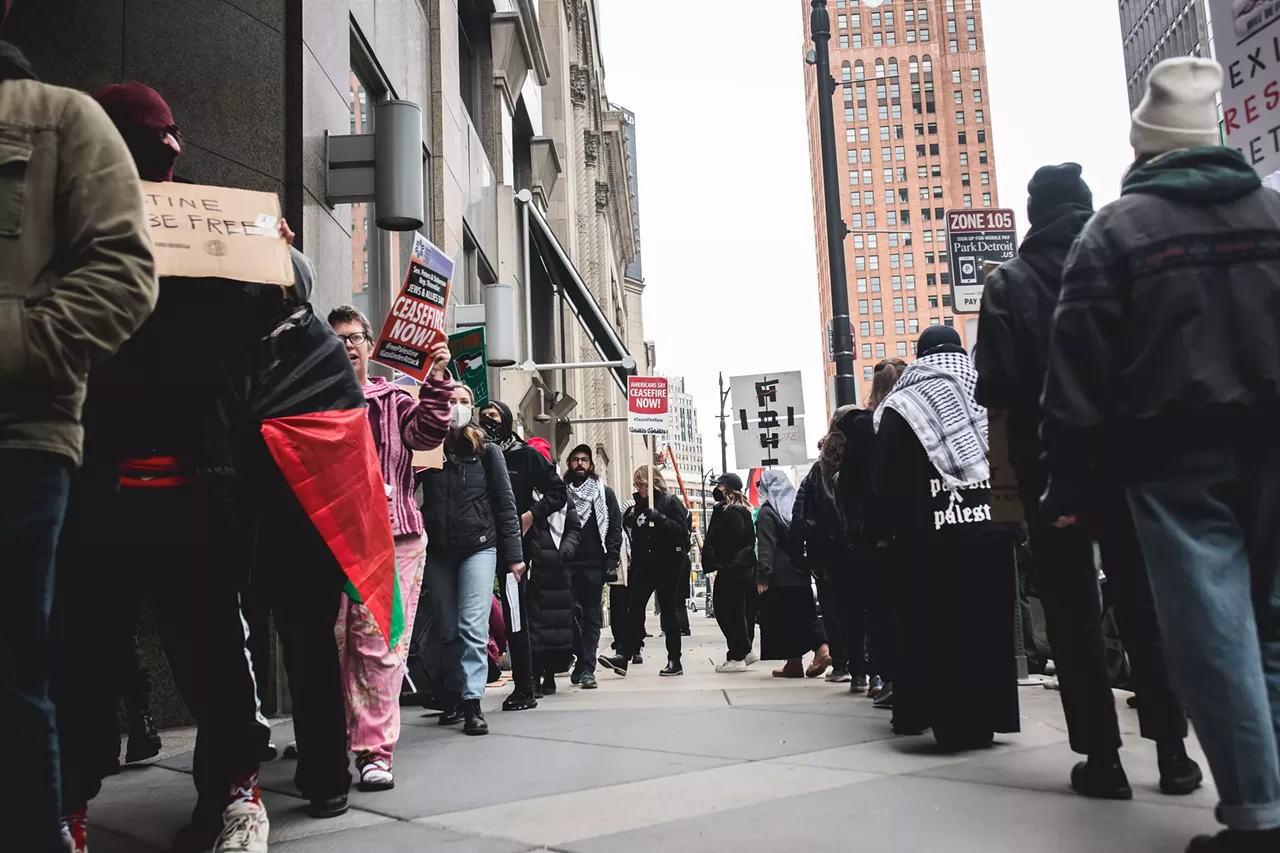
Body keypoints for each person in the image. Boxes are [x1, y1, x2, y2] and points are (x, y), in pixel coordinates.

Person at [1041, 57, 1280, 852]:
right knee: (1274, 626)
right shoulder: (1274, 216)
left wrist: (1069, 477)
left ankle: (1254, 812)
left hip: (1174, 462)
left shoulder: (1115, 233)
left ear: (1145, 149)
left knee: (1211, 631)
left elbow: (1075, 371)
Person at [52, 82, 289, 853]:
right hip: (104, 491)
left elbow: (275, 309)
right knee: (85, 663)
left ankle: (232, 796)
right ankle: (69, 809)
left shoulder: (205, 229)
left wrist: (275, 255)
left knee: (218, 655)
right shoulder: (75, 229)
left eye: (175, 139)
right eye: (156, 141)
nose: (175, 152)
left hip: (199, 490)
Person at [974, 161, 1200, 801]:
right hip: (1133, 460)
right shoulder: (1124, 264)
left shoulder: (1009, 283)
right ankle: (1175, 754)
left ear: (1033, 215)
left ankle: (1103, 760)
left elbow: (991, 385)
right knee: (1141, 604)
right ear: (1086, 206)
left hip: (1050, 468)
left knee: (1071, 614)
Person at [0, 28, 157, 853]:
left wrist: (14, 350)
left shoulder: (58, 122)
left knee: (25, 673)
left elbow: (124, 278)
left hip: (25, 443)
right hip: (79, 458)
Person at [867, 326, 1019, 750]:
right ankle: (990, 717)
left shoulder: (901, 405)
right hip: (989, 530)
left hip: (928, 539)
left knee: (936, 629)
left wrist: (881, 533)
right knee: (989, 627)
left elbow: (884, 481)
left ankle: (946, 723)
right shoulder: (983, 392)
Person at [328, 306, 452, 791]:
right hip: (335, 540)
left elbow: (428, 432)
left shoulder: (393, 399)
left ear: (368, 345)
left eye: (356, 337)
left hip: (395, 536)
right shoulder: (317, 403)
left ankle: (375, 751)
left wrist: (437, 379)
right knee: (340, 642)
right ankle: (344, 730)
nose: (349, 346)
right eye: (337, 340)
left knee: (380, 644)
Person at [418, 384, 523, 735]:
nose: (458, 407)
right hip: (439, 550)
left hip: (479, 546)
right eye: (451, 401)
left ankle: (472, 700)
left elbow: (505, 505)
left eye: (464, 402)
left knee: (472, 626)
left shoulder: (487, 451)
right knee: (447, 628)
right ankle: (452, 694)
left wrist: (514, 557)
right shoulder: (428, 446)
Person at [476, 400, 566, 710]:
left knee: (516, 616)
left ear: (508, 420)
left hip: (515, 548)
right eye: (484, 416)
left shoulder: (526, 456)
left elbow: (558, 492)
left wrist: (531, 515)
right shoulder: (473, 452)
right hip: (476, 544)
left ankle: (525, 686)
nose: (489, 421)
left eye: (495, 416)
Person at [599, 467, 691, 677]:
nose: (639, 489)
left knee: (668, 610)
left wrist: (660, 518)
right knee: (634, 610)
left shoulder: (670, 502)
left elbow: (681, 532)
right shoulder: (637, 507)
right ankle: (623, 654)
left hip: (667, 564)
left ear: (653, 483)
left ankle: (674, 659)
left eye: (642, 484)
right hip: (644, 566)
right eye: (636, 485)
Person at [754, 470, 831, 678]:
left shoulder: (767, 513)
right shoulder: (795, 512)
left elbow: (766, 547)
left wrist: (763, 576)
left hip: (779, 578)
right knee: (806, 616)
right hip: (801, 575)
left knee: (782, 621)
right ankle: (819, 651)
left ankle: (795, 662)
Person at [793, 440, 858, 685]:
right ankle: (864, 666)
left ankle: (842, 664)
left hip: (826, 551)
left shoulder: (817, 473)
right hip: (859, 547)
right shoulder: (864, 462)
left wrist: (799, 554)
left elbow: (800, 516)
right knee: (860, 607)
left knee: (832, 609)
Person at [522, 441, 583, 697]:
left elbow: (574, 528)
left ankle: (549, 674)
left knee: (555, 628)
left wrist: (565, 550)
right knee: (531, 626)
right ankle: (532, 676)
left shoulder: (561, 496)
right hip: (530, 568)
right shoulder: (522, 493)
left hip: (556, 570)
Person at [564, 445, 623, 689]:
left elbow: (614, 529)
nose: (580, 464)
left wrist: (611, 561)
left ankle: (587, 668)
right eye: (576, 460)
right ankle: (580, 658)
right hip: (566, 564)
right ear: (569, 464)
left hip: (594, 566)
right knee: (566, 616)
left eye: (584, 460)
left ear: (591, 465)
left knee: (591, 617)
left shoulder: (604, 493)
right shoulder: (561, 493)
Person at [703, 473, 758, 672]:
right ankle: (743, 650)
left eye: (718, 485)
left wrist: (717, 558)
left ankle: (738, 655)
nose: (715, 489)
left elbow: (729, 541)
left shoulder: (731, 512)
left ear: (726, 488)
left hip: (732, 568)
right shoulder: (739, 510)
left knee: (727, 610)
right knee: (735, 610)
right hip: (738, 567)